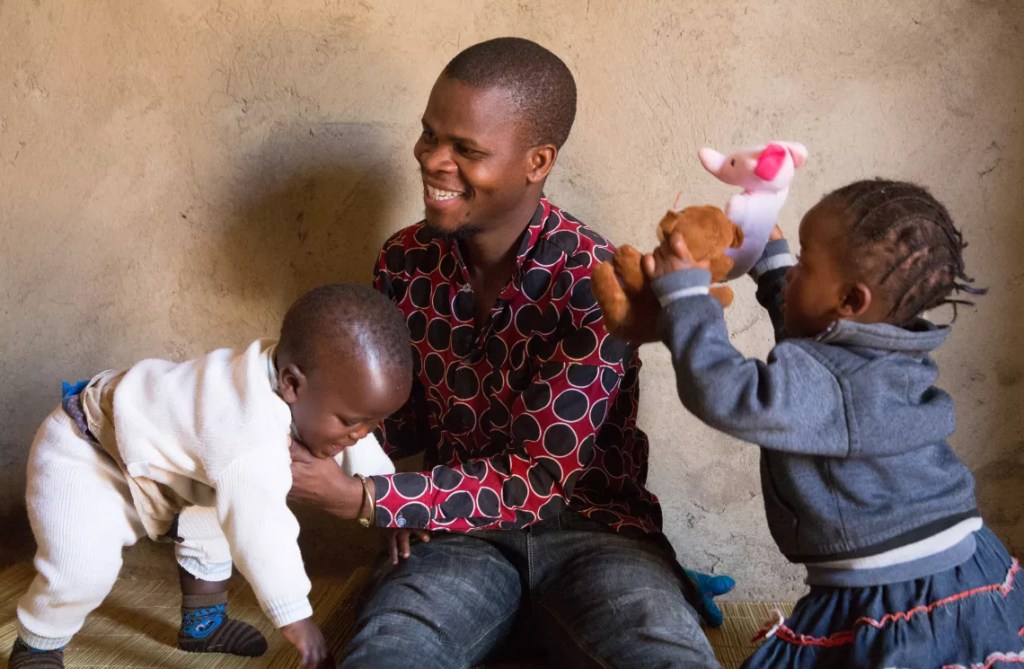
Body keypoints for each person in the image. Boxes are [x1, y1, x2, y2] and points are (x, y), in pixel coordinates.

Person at [287, 37, 723, 668]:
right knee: (390, 651)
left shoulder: (595, 281)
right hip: (456, 538)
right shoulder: (404, 260)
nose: (434, 161)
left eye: (466, 149)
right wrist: (292, 419)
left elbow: (539, 481)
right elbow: (397, 419)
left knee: (664, 654)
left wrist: (363, 498)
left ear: (536, 160)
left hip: (594, 534)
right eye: (429, 135)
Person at [643, 178, 1023, 667]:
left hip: (894, 590)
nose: (796, 268)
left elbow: (728, 394)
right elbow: (813, 349)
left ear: (850, 301)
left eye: (805, 262)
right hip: (962, 559)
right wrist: (775, 262)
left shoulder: (836, 385)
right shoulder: (882, 346)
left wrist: (686, 296)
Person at [8, 283, 412, 669]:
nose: (360, 434)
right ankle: (39, 641)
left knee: (211, 522)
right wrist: (298, 619)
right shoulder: (247, 431)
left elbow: (360, 446)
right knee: (81, 570)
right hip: (90, 452)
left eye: (372, 423)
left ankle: (204, 626)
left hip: (164, 469)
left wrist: (391, 503)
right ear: (291, 383)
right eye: (351, 422)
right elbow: (262, 529)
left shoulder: (304, 381)